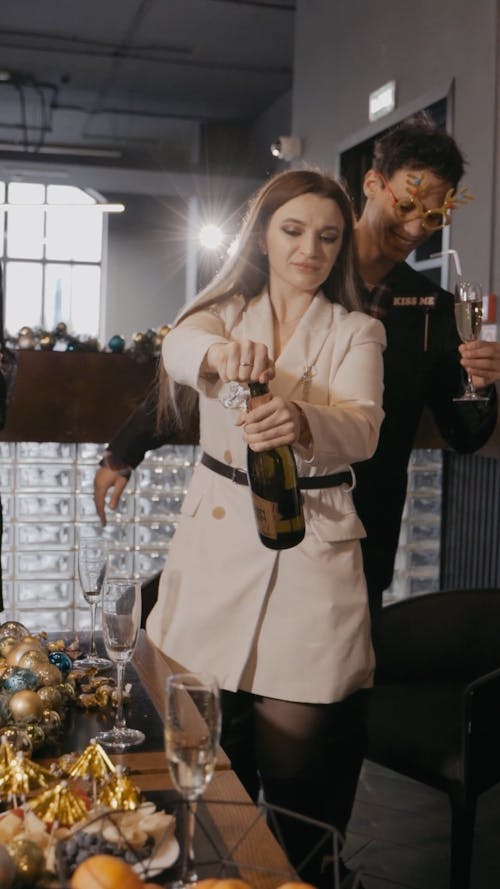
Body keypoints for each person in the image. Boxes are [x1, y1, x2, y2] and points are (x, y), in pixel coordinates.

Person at [145, 168, 385, 887]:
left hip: (312, 551)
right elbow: (179, 348)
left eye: (327, 236)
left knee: (298, 775)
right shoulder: (221, 313)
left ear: (341, 248)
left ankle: (299, 876)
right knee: (208, 766)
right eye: (293, 230)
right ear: (264, 234)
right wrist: (220, 358)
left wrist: (307, 420)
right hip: (215, 552)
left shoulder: (357, 329)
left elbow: (365, 425)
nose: (310, 248)